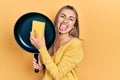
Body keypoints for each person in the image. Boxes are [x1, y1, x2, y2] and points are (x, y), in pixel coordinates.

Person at [30, 5, 84, 80]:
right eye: (62, 16)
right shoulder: (51, 40)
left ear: (74, 26)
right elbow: (53, 70)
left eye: (71, 19)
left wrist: (42, 48)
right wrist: (43, 68)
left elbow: (58, 75)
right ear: (56, 20)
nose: (65, 21)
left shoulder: (75, 44)